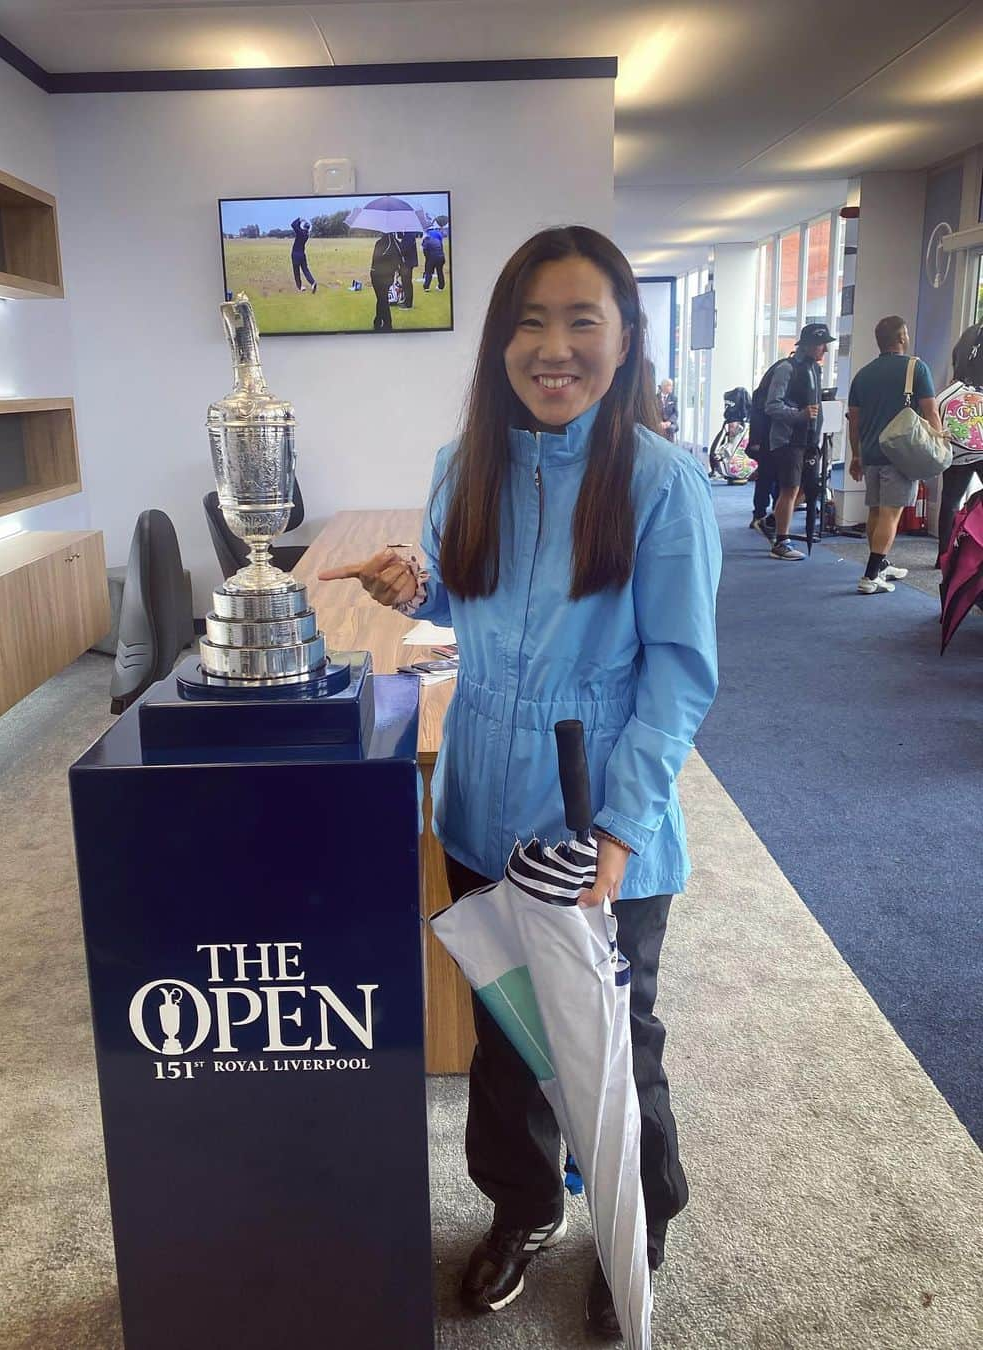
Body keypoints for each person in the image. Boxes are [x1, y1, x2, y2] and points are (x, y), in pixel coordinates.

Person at [318, 226, 721, 1341]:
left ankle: (641, 1224)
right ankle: (526, 1206)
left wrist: (624, 828)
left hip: (598, 821)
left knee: (613, 1041)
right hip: (480, 811)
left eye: (581, 320)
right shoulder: (467, 462)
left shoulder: (660, 484)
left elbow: (680, 678)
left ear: (626, 338)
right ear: (500, 340)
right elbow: (464, 594)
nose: (554, 348)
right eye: (530, 322)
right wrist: (416, 584)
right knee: (505, 1036)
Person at [847, 316, 941, 594]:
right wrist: (939, 444)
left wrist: (856, 456)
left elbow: (854, 421)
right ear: (901, 338)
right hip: (901, 455)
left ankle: (882, 564)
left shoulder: (863, 374)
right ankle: (870, 575)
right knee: (891, 513)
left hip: (872, 453)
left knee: (876, 511)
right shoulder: (916, 367)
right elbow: (931, 411)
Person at [764, 323, 832, 560]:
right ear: (811, 345)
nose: (825, 350)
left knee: (807, 488)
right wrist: (799, 416)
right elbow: (772, 405)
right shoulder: (787, 368)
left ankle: (773, 521)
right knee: (790, 489)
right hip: (788, 440)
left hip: (808, 440)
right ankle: (781, 542)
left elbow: (816, 406)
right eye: (822, 345)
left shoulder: (815, 370)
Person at [935, 320, 983, 563]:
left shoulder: (968, 335)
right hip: (981, 424)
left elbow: (956, 373)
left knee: (951, 497)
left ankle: (944, 554)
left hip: (960, 424)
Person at [369, 232, 402, 330]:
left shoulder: (380, 243)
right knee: (382, 298)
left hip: (377, 275)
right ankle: (377, 321)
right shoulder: (396, 244)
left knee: (382, 299)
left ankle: (388, 324)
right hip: (389, 276)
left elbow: (376, 259)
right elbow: (399, 262)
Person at [290, 218, 317, 294]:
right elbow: (297, 227)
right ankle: (312, 283)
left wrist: (299, 220)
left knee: (296, 271)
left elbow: (293, 225)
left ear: (304, 227)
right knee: (305, 270)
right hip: (302, 255)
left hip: (295, 255)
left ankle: (300, 286)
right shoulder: (306, 234)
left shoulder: (300, 233)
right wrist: (301, 222)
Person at [422, 223, 447, 291]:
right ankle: (441, 287)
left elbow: (425, 250)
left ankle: (426, 287)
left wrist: (427, 259)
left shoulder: (426, 237)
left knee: (429, 271)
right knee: (440, 271)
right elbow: (441, 246)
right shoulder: (438, 235)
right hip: (441, 256)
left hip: (432, 257)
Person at [398, 233, 419, 309]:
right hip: (406, 263)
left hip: (408, 263)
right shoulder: (408, 235)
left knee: (407, 283)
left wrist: (398, 247)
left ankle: (408, 303)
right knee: (405, 282)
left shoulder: (409, 235)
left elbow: (404, 249)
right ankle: (406, 300)